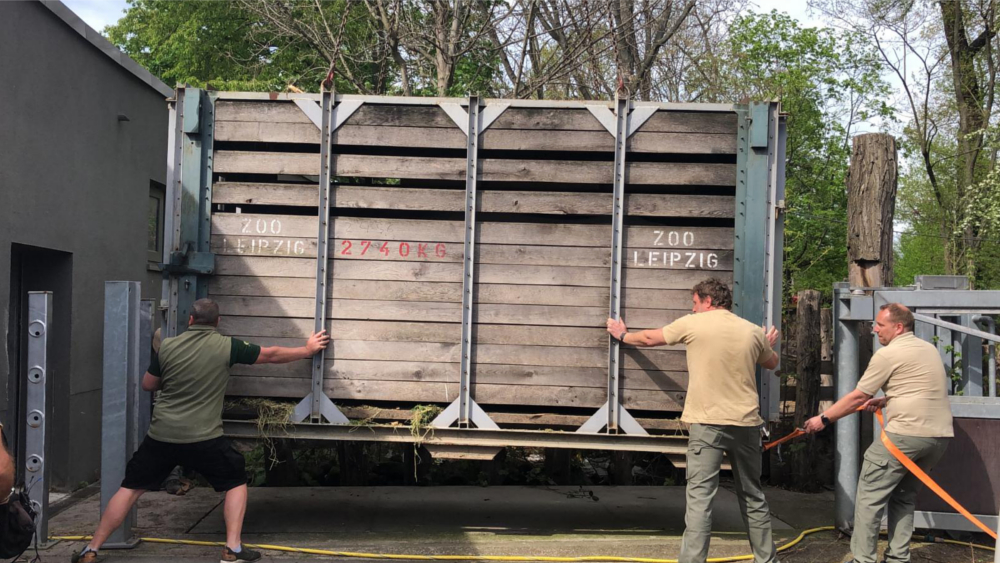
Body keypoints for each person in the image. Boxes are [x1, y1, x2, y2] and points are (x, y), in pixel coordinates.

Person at [72, 298, 330, 563]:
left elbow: (148, 384)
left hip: (162, 435)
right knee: (235, 481)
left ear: (191, 320)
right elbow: (271, 354)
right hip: (204, 437)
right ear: (217, 322)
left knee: (130, 488)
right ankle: (233, 548)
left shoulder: (168, 347)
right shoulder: (227, 346)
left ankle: (92, 549)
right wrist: (307, 349)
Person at [606, 278, 781, 563]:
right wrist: (766, 343)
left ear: (708, 301)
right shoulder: (751, 330)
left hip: (708, 423)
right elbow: (772, 363)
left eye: (695, 302)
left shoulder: (692, 324)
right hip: (747, 423)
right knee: (753, 495)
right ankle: (766, 559)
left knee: (701, 500)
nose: (693, 308)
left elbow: (651, 338)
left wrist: (623, 336)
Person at [803, 303, 953, 563]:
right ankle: (897, 558)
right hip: (938, 438)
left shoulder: (888, 354)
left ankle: (863, 559)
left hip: (904, 436)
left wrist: (824, 418)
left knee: (869, 498)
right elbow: (920, 388)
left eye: (879, 325)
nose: (874, 329)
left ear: (898, 327)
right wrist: (887, 400)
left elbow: (859, 396)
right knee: (904, 497)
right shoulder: (928, 349)